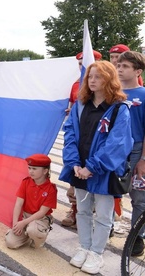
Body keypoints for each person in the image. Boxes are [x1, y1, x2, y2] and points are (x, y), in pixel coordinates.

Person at [59, 61, 133, 274]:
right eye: (90, 76)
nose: (92, 80)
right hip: (79, 169)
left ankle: (96, 253)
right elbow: (70, 133)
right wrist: (73, 163)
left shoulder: (119, 109)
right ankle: (84, 247)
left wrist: (92, 167)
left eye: (98, 76)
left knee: (102, 215)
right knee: (82, 210)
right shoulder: (81, 105)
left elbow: (118, 143)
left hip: (103, 172)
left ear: (108, 79)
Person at [62, 49, 103, 228]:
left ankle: (105, 217)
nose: (83, 68)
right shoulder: (75, 85)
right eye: (80, 65)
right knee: (76, 178)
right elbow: (72, 107)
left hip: (97, 142)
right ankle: (75, 210)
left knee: (101, 186)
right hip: (80, 139)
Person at [116, 51, 145, 256]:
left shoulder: (143, 95)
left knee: (139, 197)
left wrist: (143, 159)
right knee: (109, 192)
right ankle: (106, 227)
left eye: (125, 66)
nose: (119, 69)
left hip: (136, 150)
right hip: (115, 151)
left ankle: (137, 237)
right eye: (118, 65)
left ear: (138, 71)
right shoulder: (113, 93)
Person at [5, 154, 56, 249]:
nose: (31, 171)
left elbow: (42, 212)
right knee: (11, 243)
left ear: (45, 171)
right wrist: (16, 224)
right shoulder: (26, 182)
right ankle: (26, 234)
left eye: (35, 169)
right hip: (25, 217)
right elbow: (18, 204)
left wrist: (23, 223)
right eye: (29, 168)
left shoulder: (51, 189)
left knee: (33, 231)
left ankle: (37, 237)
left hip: (40, 219)